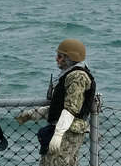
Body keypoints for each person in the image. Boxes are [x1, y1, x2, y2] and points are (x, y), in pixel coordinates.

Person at [15, 38, 96, 166]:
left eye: (60, 56)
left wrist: (58, 134)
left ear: (70, 58)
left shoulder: (78, 76)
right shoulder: (69, 75)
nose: (56, 59)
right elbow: (60, 107)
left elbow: (71, 109)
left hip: (67, 133)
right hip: (65, 130)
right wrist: (33, 114)